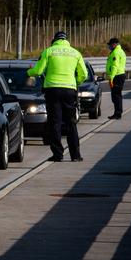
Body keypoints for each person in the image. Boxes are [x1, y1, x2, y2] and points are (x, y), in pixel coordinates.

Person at [27, 31, 88, 162]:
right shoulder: (75, 53)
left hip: (52, 90)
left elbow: (38, 71)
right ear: (67, 40)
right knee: (71, 123)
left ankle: (58, 154)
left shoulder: (48, 51)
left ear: (54, 40)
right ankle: (76, 155)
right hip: (69, 90)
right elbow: (84, 74)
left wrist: (28, 72)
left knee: (55, 123)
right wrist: (75, 82)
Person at [106, 37, 126, 120]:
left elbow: (115, 66)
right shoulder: (120, 51)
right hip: (120, 75)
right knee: (117, 95)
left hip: (117, 76)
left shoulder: (116, 53)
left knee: (116, 96)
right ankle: (117, 113)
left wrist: (111, 78)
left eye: (110, 45)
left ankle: (117, 114)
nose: (109, 46)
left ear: (114, 44)